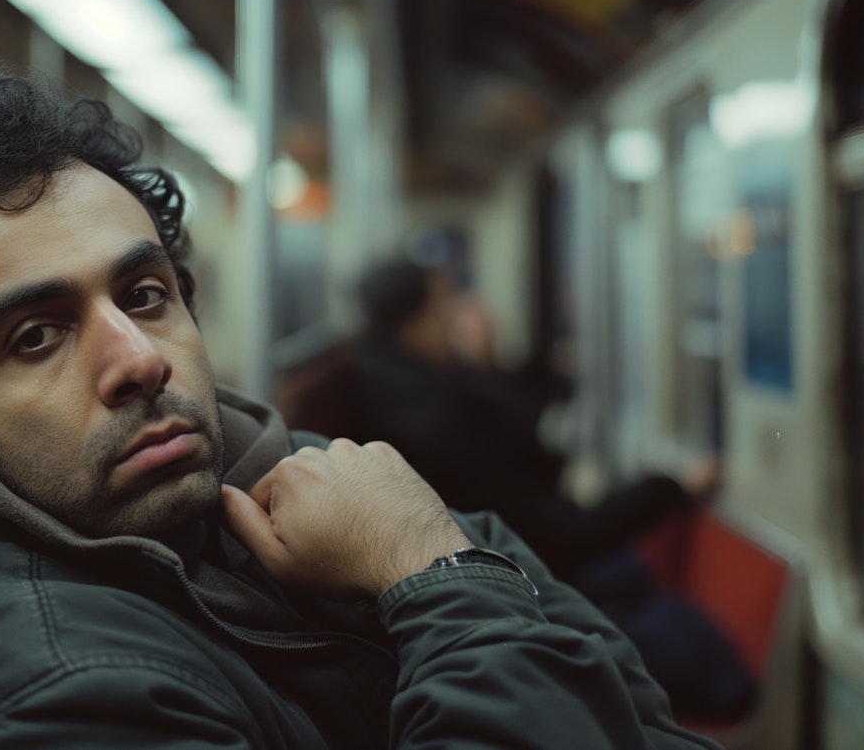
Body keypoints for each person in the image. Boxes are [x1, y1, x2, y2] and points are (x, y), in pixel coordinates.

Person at [0, 74, 720, 748]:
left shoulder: (282, 478)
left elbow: (629, 708)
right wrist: (430, 571)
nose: (139, 360)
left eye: (145, 294)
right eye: (35, 337)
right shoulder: (30, 695)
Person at [285, 256, 752, 721]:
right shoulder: (439, 415)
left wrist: (482, 366)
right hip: (503, 587)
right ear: (420, 319)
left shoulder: (383, 380)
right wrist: (672, 488)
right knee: (688, 642)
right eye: (450, 302)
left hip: (484, 574)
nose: (463, 313)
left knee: (629, 576)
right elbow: (563, 537)